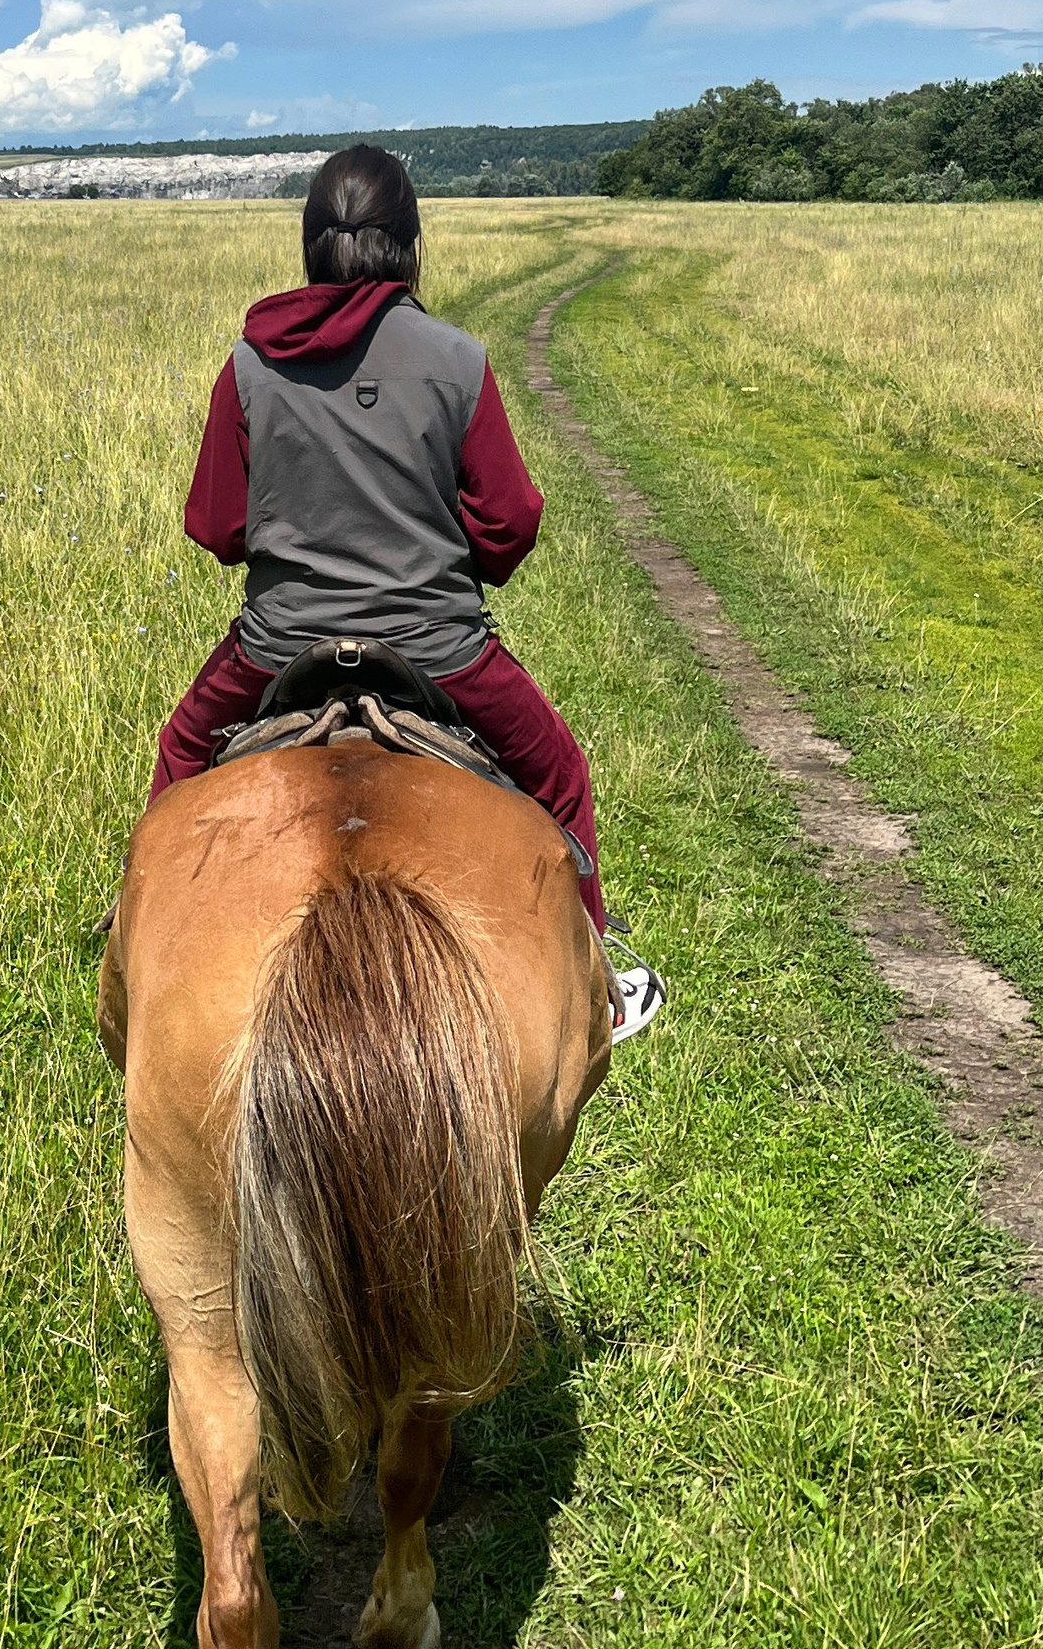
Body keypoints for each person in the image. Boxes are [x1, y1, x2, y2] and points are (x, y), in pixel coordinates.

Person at [149, 144, 665, 1043]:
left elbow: (217, 528)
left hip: (278, 645)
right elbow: (508, 528)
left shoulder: (249, 363)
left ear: (312, 245)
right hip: (439, 650)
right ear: (409, 247)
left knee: (183, 750)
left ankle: (138, 942)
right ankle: (595, 982)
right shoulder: (457, 360)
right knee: (560, 771)